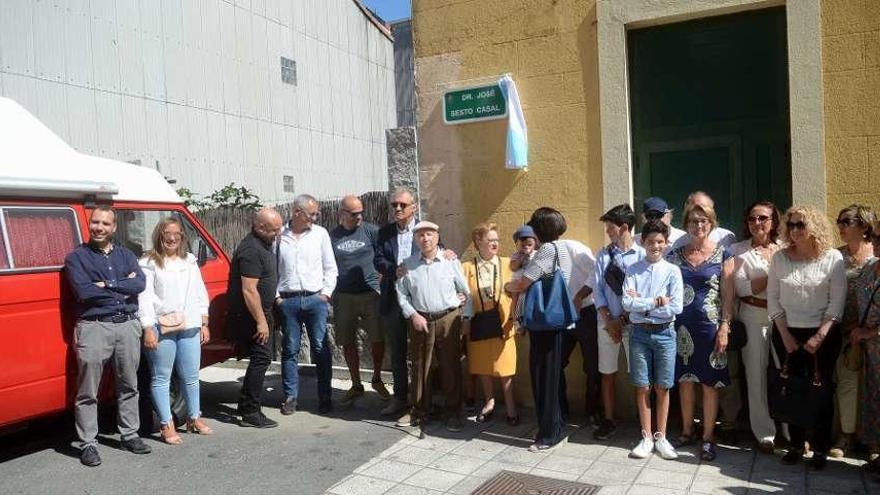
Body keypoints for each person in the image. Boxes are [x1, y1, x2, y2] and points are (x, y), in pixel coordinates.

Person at [64, 206, 150, 466]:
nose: (98, 227)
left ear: (114, 228)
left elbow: (140, 284)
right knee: (88, 390)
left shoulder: (126, 254)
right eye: (95, 222)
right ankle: (88, 443)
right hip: (94, 327)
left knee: (129, 385)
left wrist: (109, 285)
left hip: (127, 326)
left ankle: (129, 434)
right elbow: (84, 292)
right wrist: (123, 286)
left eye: (105, 223)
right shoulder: (76, 258)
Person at [767, 206, 846, 469]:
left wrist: (820, 336)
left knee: (820, 391)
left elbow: (836, 303)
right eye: (791, 225)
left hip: (822, 333)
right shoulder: (779, 258)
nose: (795, 230)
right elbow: (773, 299)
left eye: (801, 225)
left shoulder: (832, 258)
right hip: (786, 332)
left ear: (814, 227)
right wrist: (785, 335)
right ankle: (796, 445)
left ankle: (821, 447)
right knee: (793, 390)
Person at [667, 201, 735, 462]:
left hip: (711, 329)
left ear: (711, 224)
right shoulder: (675, 254)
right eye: (694, 221)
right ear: (686, 224)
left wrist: (725, 326)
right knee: (685, 380)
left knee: (709, 383)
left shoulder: (723, 255)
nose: (698, 225)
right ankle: (687, 431)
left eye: (703, 221)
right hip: (681, 327)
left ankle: (708, 437)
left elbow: (728, 296)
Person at [505, 207, 575, 451]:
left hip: (543, 324)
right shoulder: (561, 248)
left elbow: (524, 282)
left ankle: (548, 434)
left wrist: (509, 285)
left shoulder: (546, 250)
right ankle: (556, 425)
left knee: (543, 377)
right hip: (553, 322)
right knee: (551, 377)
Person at [138, 217, 212, 444]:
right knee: (161, 377)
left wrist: (204, 321)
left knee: (191, 376)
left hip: (189, 325)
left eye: (177, 234)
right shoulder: (148, 262)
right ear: (159, 236)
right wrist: (148, 327)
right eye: (167, 234)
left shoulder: (188, 260)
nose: (172, 238)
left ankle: (193, 417)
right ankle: (166, 424)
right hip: (162, 326)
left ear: (182, 237)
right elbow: (145, 298)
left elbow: (200, 291)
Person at [395, 221, 470, 432]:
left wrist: (466, 316)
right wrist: (413, 315)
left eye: (429, 234)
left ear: (437, 237)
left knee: (451, 366)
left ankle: (453, 412)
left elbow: (465, 290)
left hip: (448, 318)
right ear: (415, 239)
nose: (425, 239)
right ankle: (419, 410)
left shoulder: (450, 260)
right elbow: (402, 295)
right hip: (421, 320)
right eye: (420, 235)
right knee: (420, 366)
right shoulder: (407, 265)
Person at [622, 219, 684, 459]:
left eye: (660, 241)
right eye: (650, 241)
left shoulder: (672, 271)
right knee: (642, 386)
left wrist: (642, 304)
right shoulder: (633, 269)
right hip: (639, 333)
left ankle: (661, 436)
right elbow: (627, 304)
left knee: (663, 386)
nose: (655, 246)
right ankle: (646, 435)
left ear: (666, 243)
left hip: (665, 333)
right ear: (643, 242)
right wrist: (655, 301)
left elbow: (676, 307)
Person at [276, 194, 338, 415]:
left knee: (320, 348)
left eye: (316, 213)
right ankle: (291, 397)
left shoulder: (320, 234)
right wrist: (277, 298)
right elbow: (272, 270)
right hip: (288, 300)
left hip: (315, 299)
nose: (315, 217)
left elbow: (331, 267)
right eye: (311, 213)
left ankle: (325, 397)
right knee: (290, 350)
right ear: (297, 213)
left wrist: (326, 294)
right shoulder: (279, 236)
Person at [729, 201, 781, 453]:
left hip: (785, 320)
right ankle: (765, 434)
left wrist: (762, 281)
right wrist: (773, 278)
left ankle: (791, 430)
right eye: (752, 219)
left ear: (773, 221)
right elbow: (742, 288)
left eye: (763, 218)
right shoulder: (737, 251)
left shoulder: (785, 249)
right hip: (753, 318)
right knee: (756, 378)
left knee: (787, 374)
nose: (757, 223)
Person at [329, 195, 389, 407]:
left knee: (378, 338)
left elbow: (384, 255)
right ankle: (355, 385)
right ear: (342, 214)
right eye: (354, 214)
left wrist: (380, 280)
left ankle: (377, 378)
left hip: (371, 293)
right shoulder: (331, 236)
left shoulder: (371, 231)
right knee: (347, 341)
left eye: (361, 212)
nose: (359, 217)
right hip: (344, 296)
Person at [592, 204, 645, 441]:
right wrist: (609, 320)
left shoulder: (642, 255)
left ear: (624, 227)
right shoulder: (603, 255)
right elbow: (597, 290)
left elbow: (641, 291)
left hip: (633, 323)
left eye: (610, 227)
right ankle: (609, 419)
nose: (607, 232)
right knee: (607, 372)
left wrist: (621, 320)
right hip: (606, 323)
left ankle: (643, 422)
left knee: (638, 374)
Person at [227, 207, 283, 428]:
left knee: (262, 358)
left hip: (263, 311)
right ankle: (251, 411)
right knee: (261, 358)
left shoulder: (265, 244)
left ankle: (244, 403)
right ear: (260, 227)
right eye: (274, 230)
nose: (278, 234)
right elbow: (249, 290)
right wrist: (261, 321)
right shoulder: (251, 249)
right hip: (253, 315)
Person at [830, 204, 876, 458]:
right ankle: (845, 436)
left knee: (874, 387)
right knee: (846, 383)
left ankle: (874, 442)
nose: (841, 226)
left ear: (864, 224)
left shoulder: (876, 255)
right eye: (840, 221)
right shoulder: (837, 256)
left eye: (846, 221)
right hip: (845, 332)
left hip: (874, 331)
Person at [461, 223, 518, 425]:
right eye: (490, 240)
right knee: (483, 364)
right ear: (478, 242)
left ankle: (511, 406)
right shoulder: (467, 267)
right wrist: (465, 320)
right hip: (479, 323)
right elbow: (463, 296)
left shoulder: (508, 263)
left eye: (496, 240)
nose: (495, 243)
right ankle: (489, 401)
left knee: (505, 366)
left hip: (503, 323)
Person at [375, 187, 420, 417]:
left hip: (419, 302)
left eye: (403, 205)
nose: (398, 209)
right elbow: (379, 260)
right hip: (393, 299)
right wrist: (395, 270)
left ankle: (420, 400)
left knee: (420, 352)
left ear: (414, 207)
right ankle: (400, 398)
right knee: (398, 353)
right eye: (394, 205)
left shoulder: (425, 230)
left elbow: (437, 253)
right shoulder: (384, 233)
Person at [848, 222, 880, 471]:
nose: (878, 242)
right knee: (873, 399)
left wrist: (870, 331)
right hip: (870, 350)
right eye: (876, 237)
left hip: (874, 338)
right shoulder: (870, 266)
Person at [559, 237, 599, 426]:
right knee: (556, 362)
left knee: (592, 366)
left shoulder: (574, 247)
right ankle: (561, 409)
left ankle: (593, 411)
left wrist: (580, 295)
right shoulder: (541, 254)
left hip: (586, 312)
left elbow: (595, 271)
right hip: (562, 315)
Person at [672, 191, 737, 250]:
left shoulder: (726, 237)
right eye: (694, 207)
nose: (699, 210)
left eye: (704, 207)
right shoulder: (679, 243)